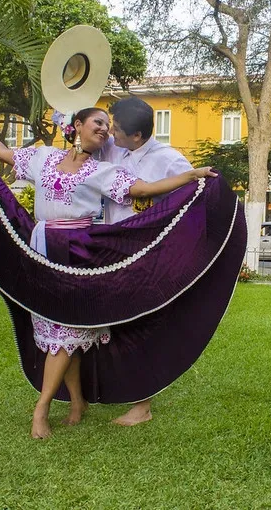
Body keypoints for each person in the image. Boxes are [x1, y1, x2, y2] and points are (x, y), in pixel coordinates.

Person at [0, 107, 238, 439]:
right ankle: (76, 403)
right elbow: (2, 151)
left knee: (66, 329)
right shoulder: (43, 157)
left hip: (78, 253)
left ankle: (41, 408)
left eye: (107, 124)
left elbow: (143, 190)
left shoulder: (101, 170)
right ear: (76, 126)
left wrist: (190, 176)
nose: (104, 129)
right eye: (97, 123)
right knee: (56, 328)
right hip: (42, 248)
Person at [100, 96, 194, 426]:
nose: (112, 133)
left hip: (145, 255)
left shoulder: (169, 161)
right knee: (113, 324)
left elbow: (193, 200)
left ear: (138, 136)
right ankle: (120, 388)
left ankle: (142, 406)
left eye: (118, 130)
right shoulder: (114, 149)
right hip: (111, 251)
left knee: (138, 326)